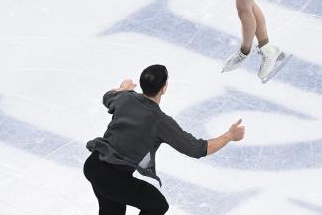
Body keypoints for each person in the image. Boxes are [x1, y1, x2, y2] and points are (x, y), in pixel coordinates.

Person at [84, 64, 245, 214]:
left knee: (113, 210)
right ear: (164, 88)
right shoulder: (160, 122)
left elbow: (108, 96)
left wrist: (123, 88)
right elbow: (198, 149)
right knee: (157, 205)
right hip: (113, 177)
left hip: (93, 165)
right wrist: (229, 136)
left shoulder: (125, 97)